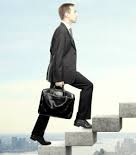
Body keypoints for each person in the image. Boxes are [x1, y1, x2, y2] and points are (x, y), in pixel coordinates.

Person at [30, 3, 93, 145]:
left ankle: (37, 134)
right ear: (66, 14)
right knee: (87, 86)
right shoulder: (61, 31)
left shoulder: (65, 30)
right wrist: (58, 79)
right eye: (74, 11)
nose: (77, 14)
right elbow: (57, 55)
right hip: (62, 73)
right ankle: (80, 119)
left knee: (50, 102)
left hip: (63, 71)